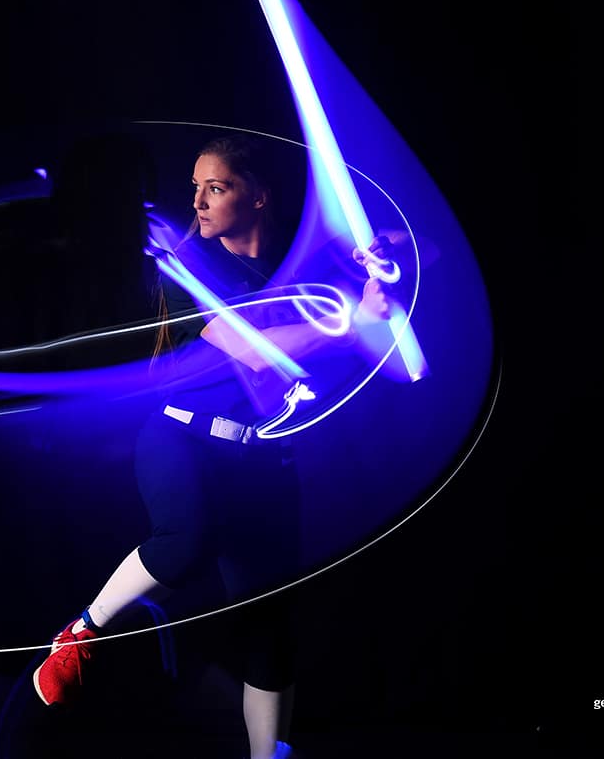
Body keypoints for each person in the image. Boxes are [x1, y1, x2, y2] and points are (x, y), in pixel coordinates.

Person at [30, 133, 394, 759]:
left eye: (216, 188)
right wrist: (354, 320)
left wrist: (385, 270)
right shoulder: (190, 268)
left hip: (262, 460)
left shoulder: (304, 267)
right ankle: (81, 636)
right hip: (181, 439)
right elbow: (256, 349)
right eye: (195, 187)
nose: (197, 202)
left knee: (270, 629)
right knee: (187, 537)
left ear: (258, 197)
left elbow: (391, 301)